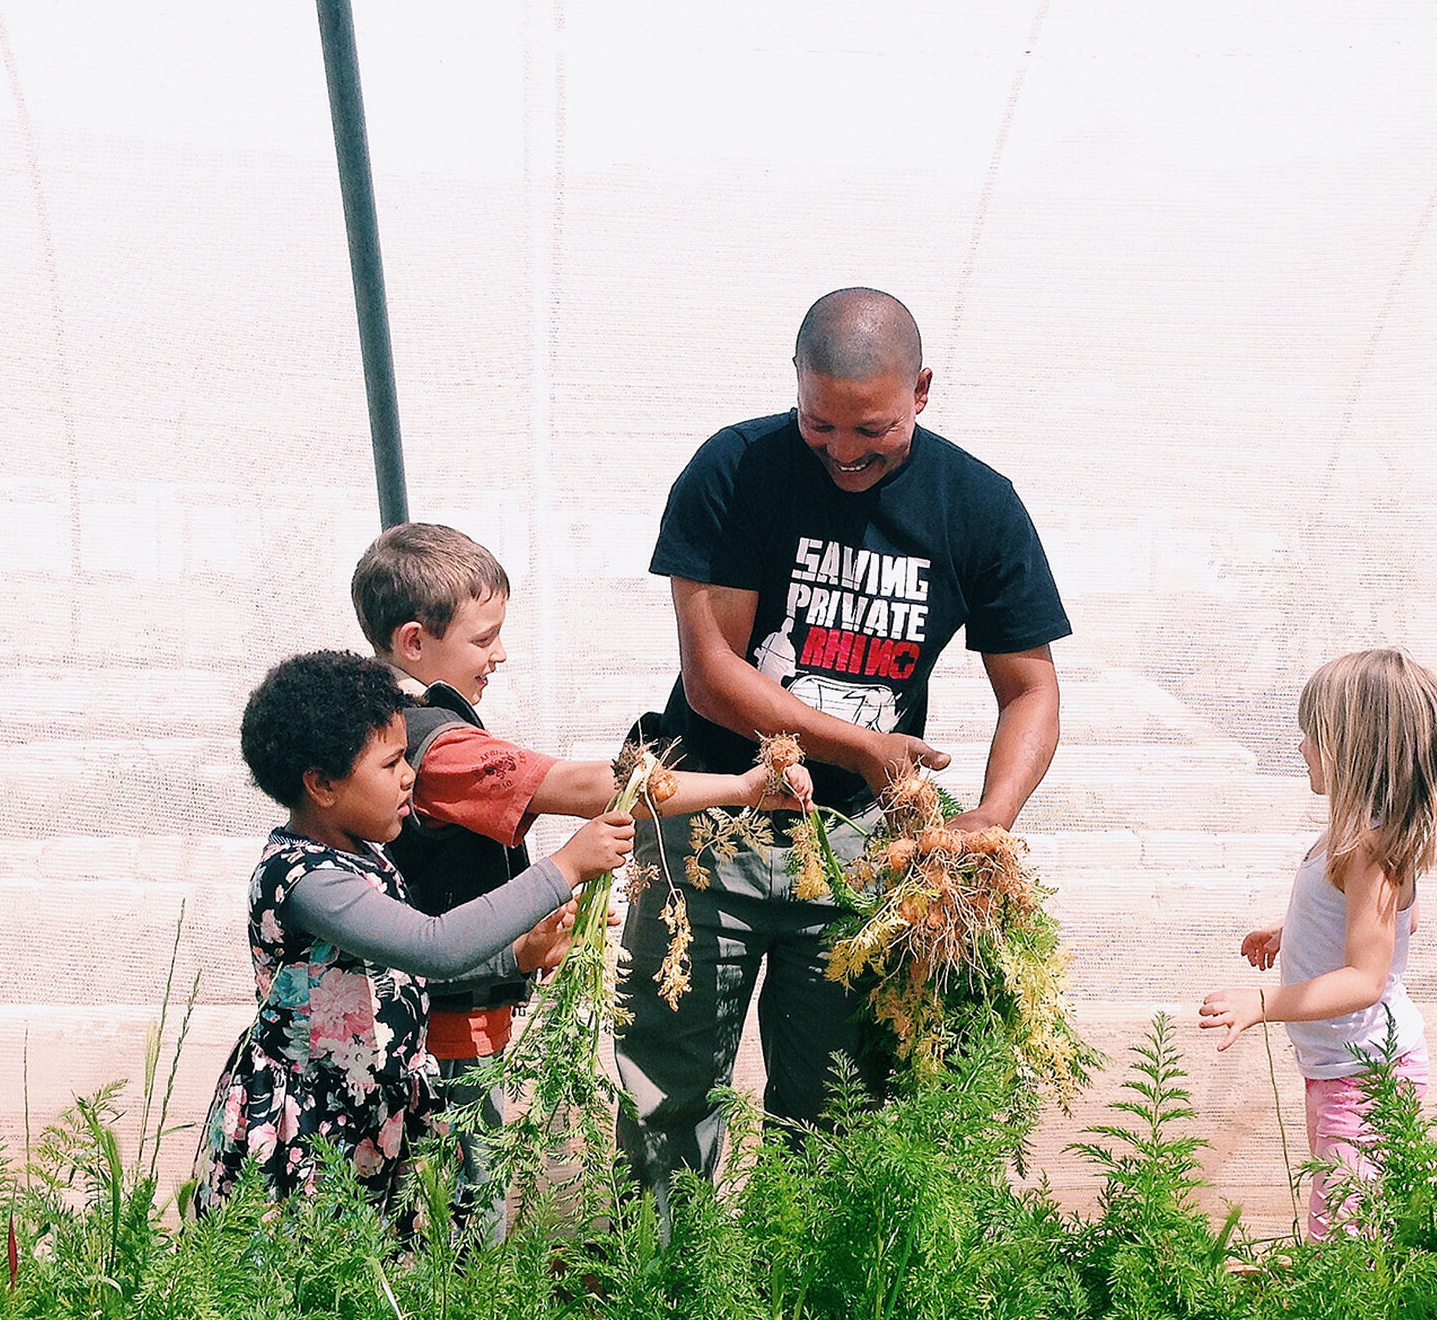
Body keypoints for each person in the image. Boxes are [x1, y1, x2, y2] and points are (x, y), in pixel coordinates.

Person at [617, 287, 1072, 1203]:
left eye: (875, 429)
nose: (845, 452)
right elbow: (712, 674)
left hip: (861, 852)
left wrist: (988, 820)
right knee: (665, 1094)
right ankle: (659, 1309)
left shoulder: (977, 505)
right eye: (819, 424)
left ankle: (794, 1319)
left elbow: (1030, 687)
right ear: (794, 385)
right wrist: (866, 746)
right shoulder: (736, 469)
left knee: (835, 1108)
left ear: (923, 391)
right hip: (712, 819)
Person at [350, 523, 809, 1232]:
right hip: (439, 1038)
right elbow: (586, 785)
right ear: (415, 642)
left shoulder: (392, 723)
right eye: (484, 638)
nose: (500, 654)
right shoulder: (435, 745)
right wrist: (741, 788)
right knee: (462, 1224)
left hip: (446, 1018)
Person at [192, 649, 634, 1217]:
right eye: (391, 763)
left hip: (363, 1121)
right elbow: (436, 945)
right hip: (304, 1133)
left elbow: (403, 970)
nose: (410, 776)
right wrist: (566, 866)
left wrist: (520, 955)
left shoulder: (362, 856)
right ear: (322, 784)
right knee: (300, 1288)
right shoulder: (307, 881)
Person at [1197, 649, 1437, 1239]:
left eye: (1310, 735)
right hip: (1344, 1068)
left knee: (1346, 1238)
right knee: (1353, 1223)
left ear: (1349, 748)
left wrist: (1262, 1003)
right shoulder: (1352, 840)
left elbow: (1367, 978)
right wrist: (1296, 935)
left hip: (1367, 1080)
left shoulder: (1369, 849)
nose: (1301, 747)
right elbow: (1399, 925)